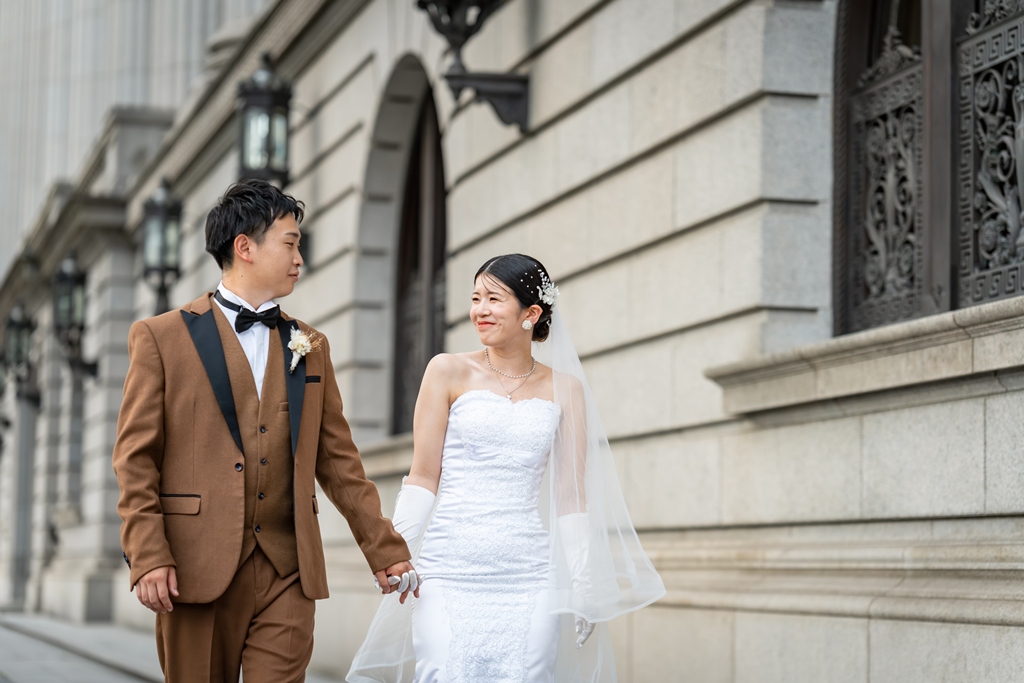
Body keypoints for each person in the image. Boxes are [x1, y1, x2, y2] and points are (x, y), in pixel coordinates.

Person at [112, 178, 418, 683]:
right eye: (291, 242)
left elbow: (338, 460)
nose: (300, 258)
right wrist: (147, 555)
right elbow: (135, 459)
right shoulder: (160, 338)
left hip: (288, 572)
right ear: (245, 247)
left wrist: (383, 548)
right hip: (192, 568)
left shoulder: (310, 345)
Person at [347, 253, 666, 683]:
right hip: (448, 567)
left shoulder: (565, 389)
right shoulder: (446, 371)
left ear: (530, 314)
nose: (480, 310)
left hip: (529, 573)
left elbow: (571, 495)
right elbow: (423, 476)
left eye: (494, 299)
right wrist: (393, 549)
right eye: (476, 298)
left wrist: (584, 583)